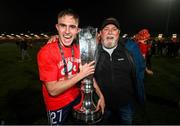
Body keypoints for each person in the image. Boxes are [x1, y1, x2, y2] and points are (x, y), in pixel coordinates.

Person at [37, 9, 105, 125]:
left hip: (76, 99)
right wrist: (80, 75)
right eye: (63, 26)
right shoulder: (46, 52)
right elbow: (52, 90)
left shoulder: (79, 50)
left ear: (77, 30)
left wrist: (101, 96)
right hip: (56, 104)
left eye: (72, 27)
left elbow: (88, 74)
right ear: (57, 27)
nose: (67, 31)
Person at [94, 17, 146, 124]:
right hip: (103, 103)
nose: (110, 32)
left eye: (114, 29)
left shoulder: (129, 50)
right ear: (100, 33)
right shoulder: (94, 53)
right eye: (106, 29)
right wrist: (57, 39)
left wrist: (137, 92)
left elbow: (140, 69)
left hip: (126, 103)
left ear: (119, 33)